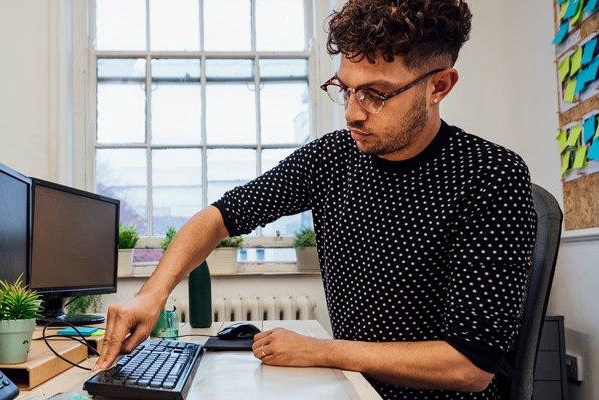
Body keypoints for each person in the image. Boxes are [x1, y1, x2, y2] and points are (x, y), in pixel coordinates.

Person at [94, 1, 537, 399]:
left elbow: (471, 367)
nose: (352, 112)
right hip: (349, 383)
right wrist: (151, 294)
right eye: (345, 88)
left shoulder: (491, 176)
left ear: (439, 85)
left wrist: (324, 350)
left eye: (376, 94)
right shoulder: (333, 157)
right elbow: (218, 218)